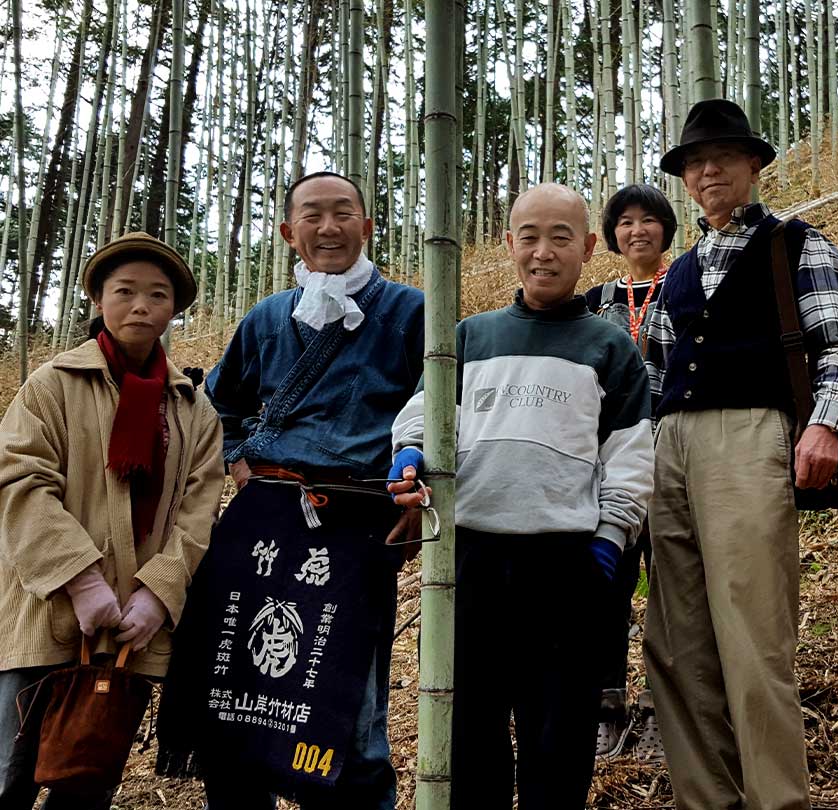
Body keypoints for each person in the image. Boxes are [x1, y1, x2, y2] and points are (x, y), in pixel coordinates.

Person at [157, 172, 423, 810]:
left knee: (347, 708)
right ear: (287, 233)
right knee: (239, 692)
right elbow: (212, 408)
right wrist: (240, 459)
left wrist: (419, 491)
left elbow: (439, 410)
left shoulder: (413, 312)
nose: (328, 228)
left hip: (355, 524)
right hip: (260, 523)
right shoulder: (267, 317)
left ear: (368, 225)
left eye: (342, 214)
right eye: (312, 216)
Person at [390, 182, 654, 810]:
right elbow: (422, 413)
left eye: (561, 237)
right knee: (470, 725)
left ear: (589, 248)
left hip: (568, 562)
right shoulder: (469, 336)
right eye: (529, 236)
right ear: (509, 243)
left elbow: (631, 455)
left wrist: (611, 540)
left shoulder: (609, 346)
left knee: (557, 732)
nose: (543, 252)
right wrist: (408, 455)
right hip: (469, 558)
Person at [641, 98, 838, 810]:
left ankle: (777, 801)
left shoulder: (799, 244)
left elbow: (837, 346)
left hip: (748, 437)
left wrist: (825, 425)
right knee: (675, 645)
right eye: (695, 163)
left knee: (754, 634)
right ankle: (708, 800)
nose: (708, 172)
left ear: (754, 166)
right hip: (669, 444)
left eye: (723, 160)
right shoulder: (677, 270)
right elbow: (655, 374)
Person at [0, 232, 224, 808]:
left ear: (174, 308)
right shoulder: (53, 383)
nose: (140, 306)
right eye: (123, 291)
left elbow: (200, 507)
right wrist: (80, 577)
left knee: (87, 776)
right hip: (45, 608)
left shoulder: (193, 407)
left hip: (130, 624)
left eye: (157, 294)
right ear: (98, 300)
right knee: (10, 772)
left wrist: (158, 594)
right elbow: (19, 480)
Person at [583, 184, 676, 761]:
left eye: (647, 220)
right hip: (607, 460)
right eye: (625, 222)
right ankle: (605, 706)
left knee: (672, 587)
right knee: (608, 586)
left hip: (672, 453)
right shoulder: (595, 299)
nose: (636, 230)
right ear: (612, 236)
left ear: (666, 228)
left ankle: (662, 711)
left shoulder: (688, 288)